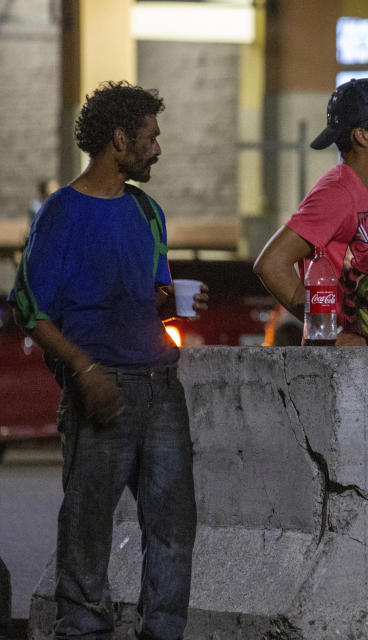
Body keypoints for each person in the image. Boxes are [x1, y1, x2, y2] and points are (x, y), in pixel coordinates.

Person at [8, 81, 207, 639]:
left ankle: (163, 631)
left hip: (161, 386)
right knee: (87, 528)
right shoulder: (61, 214)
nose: (158, 149)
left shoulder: (147, 211)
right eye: (151, 137)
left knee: (173, 526)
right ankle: (83, 631)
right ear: (119, 139)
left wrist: (176, 299)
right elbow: (29, 309)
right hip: (102, 388)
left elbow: (153, 292)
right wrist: (85, 371)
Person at [253, 77, 368, 513]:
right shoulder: (336, 192)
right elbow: (271, 263)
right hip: (342, 380)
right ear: (363, 136)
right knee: (361, 509)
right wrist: (325, 330)